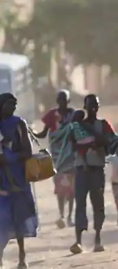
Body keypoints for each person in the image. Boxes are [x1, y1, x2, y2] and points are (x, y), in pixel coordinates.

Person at [0, 93, 38, 269]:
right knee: (1, 215)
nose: (13, 107)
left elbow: (27, 152)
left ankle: (22, 256)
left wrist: (10, 158)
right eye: (9, 104)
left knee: (19, 213)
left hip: (17, 175)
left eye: (14, 104)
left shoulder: (19, 123)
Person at [69, 94, 115, 254]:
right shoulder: (76, 126)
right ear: (85, 107)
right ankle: (78, 241)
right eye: (90, 105)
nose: (93, 108)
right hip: (81, 169)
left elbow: (112, 143)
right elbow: (71, 145)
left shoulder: (103, 125)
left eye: (95, 105)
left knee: (98, 205)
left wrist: (99, 142)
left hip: (96, 168)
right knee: (80, 204)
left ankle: (97, 239)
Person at [33, 90, 76, 228]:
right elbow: (43, 133)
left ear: (68, 101)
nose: (62, 102)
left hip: (71, 155)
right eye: (60, 100)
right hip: (56, 156)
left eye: (64, 100)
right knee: (59, 186)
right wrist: (31, 133)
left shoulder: (73, 114)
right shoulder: (52, 115)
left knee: (72, 187)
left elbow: (78, 131)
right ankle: (62, 215)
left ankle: (70, 216)